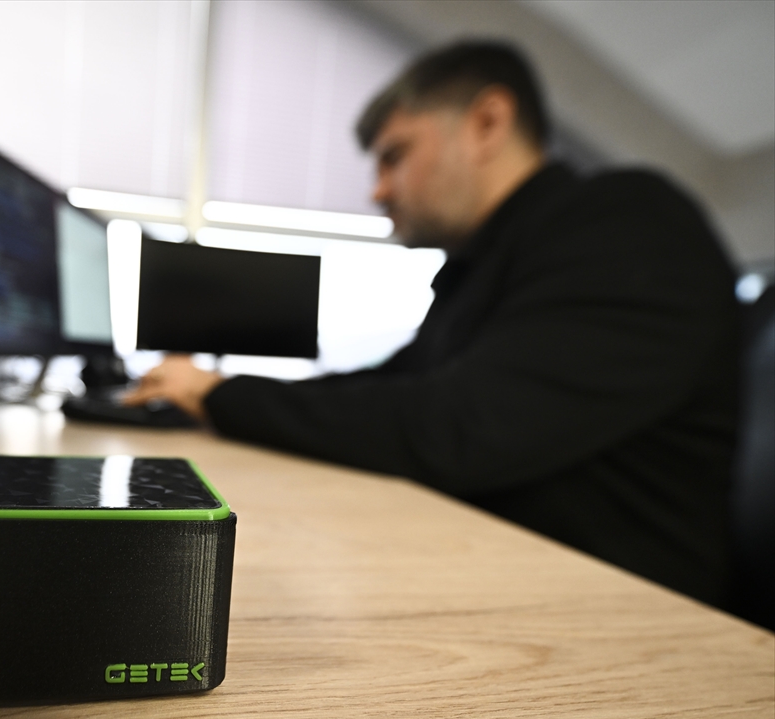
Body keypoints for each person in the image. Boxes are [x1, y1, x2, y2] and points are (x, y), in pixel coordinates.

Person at [123, 41, 740, 606]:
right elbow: (394, 387)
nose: (377, 191)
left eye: (394, 157)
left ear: (488, 123)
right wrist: (217, 397)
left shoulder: (627, 223)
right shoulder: (486, 262)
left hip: (626, 607)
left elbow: (456, 428)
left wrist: (220, 394)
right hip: (507, 569)